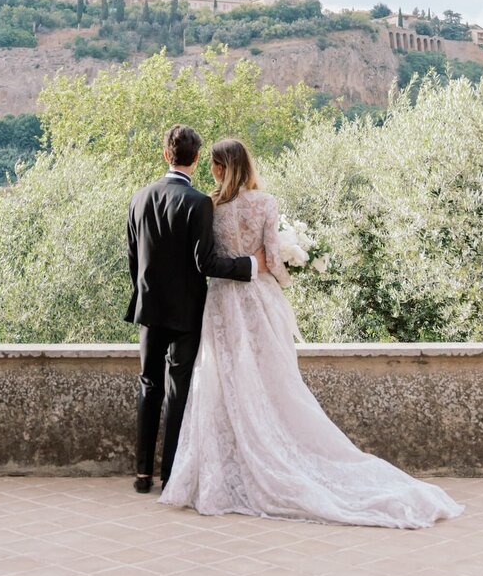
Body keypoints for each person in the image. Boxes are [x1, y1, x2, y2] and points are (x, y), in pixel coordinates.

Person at [160, 137, 463, 528]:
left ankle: (227, 468)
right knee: (273, 382)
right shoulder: (265, 203)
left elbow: (207, 260)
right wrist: (289, 271)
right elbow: (270, 260)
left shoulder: (210, 206)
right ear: (246, 165)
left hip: (221, 306)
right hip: (258, 301)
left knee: (225, 384)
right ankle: (278, 450)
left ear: (217, 168)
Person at [125, 123, 266, 494]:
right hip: (187, 313)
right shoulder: (199, 202)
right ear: (198, 158)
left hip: (149, 309)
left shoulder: (139, 197)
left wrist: (144, 293)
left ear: (165, 153)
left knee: (148, 385)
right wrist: (250, 266)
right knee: (177, 391)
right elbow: (205, 263)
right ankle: (171, 474)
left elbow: (132, 259)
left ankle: (142, 475)